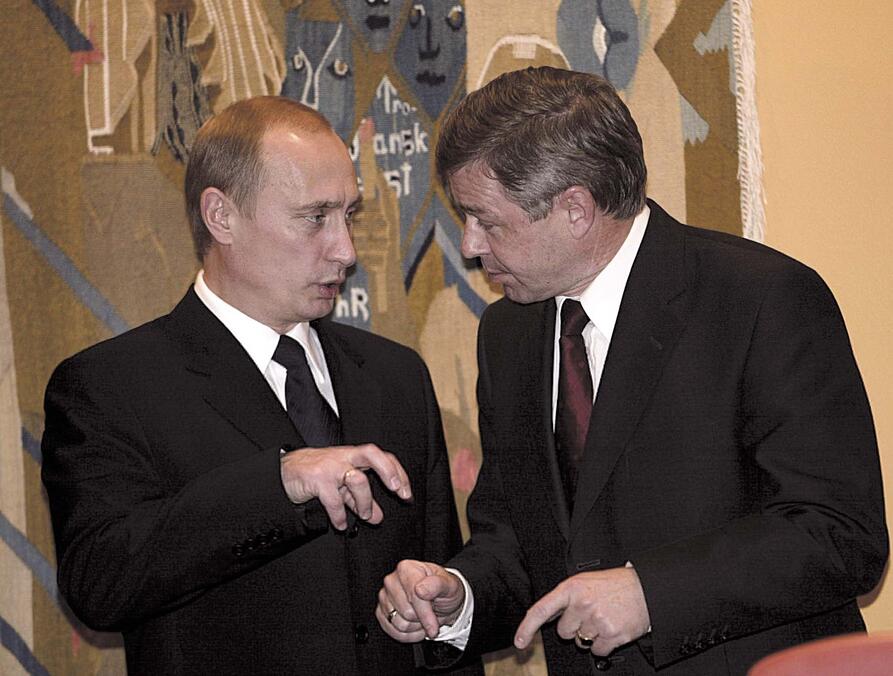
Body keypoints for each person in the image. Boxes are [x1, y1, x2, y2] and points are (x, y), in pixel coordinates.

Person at [376, 66, 888, 675]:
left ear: (575, 209)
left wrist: (651, 594)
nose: (469, 245)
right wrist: (459, 596)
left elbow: (840, 534)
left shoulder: (760, 299)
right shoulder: (508, 333)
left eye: (487, 219)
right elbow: (519, 538)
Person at [42, 96, 481, 676]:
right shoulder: (112, 385)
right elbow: (99, 583)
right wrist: (279, 481)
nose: (346, 250)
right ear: (221, 216)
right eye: (315, 217)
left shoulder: (396, 377)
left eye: (348, 215)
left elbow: (440, 594)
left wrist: (442, 604)